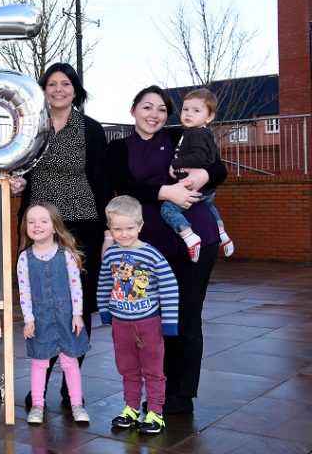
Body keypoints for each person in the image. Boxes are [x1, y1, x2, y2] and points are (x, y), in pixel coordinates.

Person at [107, 85, 227, 415]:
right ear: (133, 110)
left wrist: (204, 173)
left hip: (195, 237)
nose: (154, 114)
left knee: (187, 317)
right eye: (147, 107)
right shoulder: (118, 147)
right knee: (153, 320)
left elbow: (220, 168)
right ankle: (159, 387)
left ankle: (181, 393)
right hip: (145, 246)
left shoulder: (180, 136)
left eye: (161, 109)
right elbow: (125, 185)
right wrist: (167, 192)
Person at [14, 62, 111, 409]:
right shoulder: (31, 127)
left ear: (75, 89)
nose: (58, 89)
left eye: (65, 84)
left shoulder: (90, 129)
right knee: (42, 304)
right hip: (39, 227)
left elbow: (100, 180)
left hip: (81, 224)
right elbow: (18, 171)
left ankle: (72, 387)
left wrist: (108, 227)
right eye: (51, 84)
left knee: (76, 304)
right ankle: (42, 379)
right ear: (43, 90)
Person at [97, 196, 179, 435]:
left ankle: (155, 412)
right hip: (120, 323)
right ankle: (131, 408)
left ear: (140, 226)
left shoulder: (152, 255)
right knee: (127, 369)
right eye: (117, 229)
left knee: (153, 369)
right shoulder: (111, 254)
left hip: (149, 323)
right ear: (110, 228)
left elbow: (169, 286)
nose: (123, 234)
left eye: (130, 228)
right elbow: (104, 283)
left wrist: (169, 322)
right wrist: (105, 311)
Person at [17, 202, 91, 425]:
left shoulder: (66, 254)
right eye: (31, 222)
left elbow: (75, 285)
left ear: (55, 226)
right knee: (40, 362)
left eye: (43, 221)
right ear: (26, 228)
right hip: (40, 320)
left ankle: (77, 403)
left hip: (66, 317)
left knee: (70, 362)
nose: (37, 225)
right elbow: (25, 291)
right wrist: (28, 319)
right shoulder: (24, 258)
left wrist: (77, 314)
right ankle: (37, 404)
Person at [160, 89, 234, 261]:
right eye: (185, 109)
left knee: (168, 209)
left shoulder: (195, 133)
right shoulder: (205, 133)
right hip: (208, 191)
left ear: (209, 117)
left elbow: (200, 157)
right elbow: (214, 159)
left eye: (196, 110)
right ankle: (222, 233)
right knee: (209, 206)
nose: (188, 114)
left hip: (194, 186)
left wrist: (175, 163)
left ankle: (189, 237)